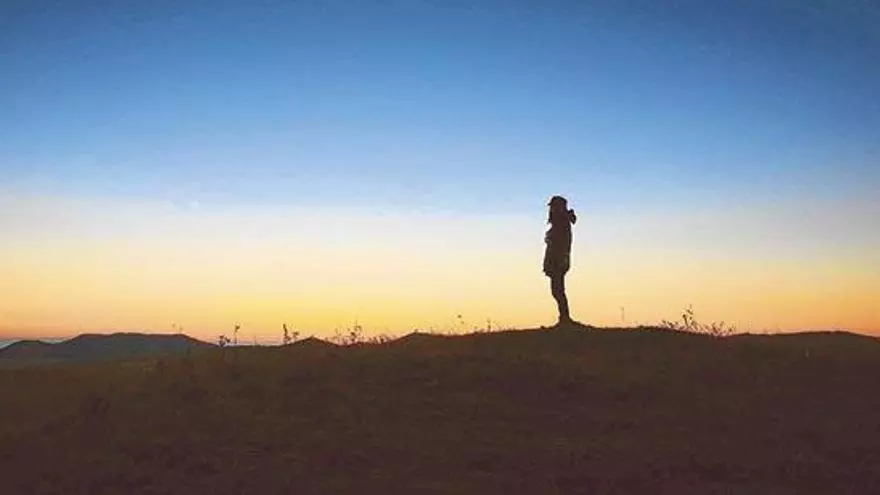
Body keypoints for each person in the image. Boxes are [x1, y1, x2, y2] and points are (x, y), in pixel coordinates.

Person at [543, 195, 577, 326]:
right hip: (557, 261)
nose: (551, 210)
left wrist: (557, 261)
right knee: (557, 290)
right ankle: (564, 318)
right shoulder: (560, 223)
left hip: (558, 262)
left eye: (553, 207)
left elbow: (560, 245)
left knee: (557, 290)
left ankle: (565, 318)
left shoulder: (562, 224)